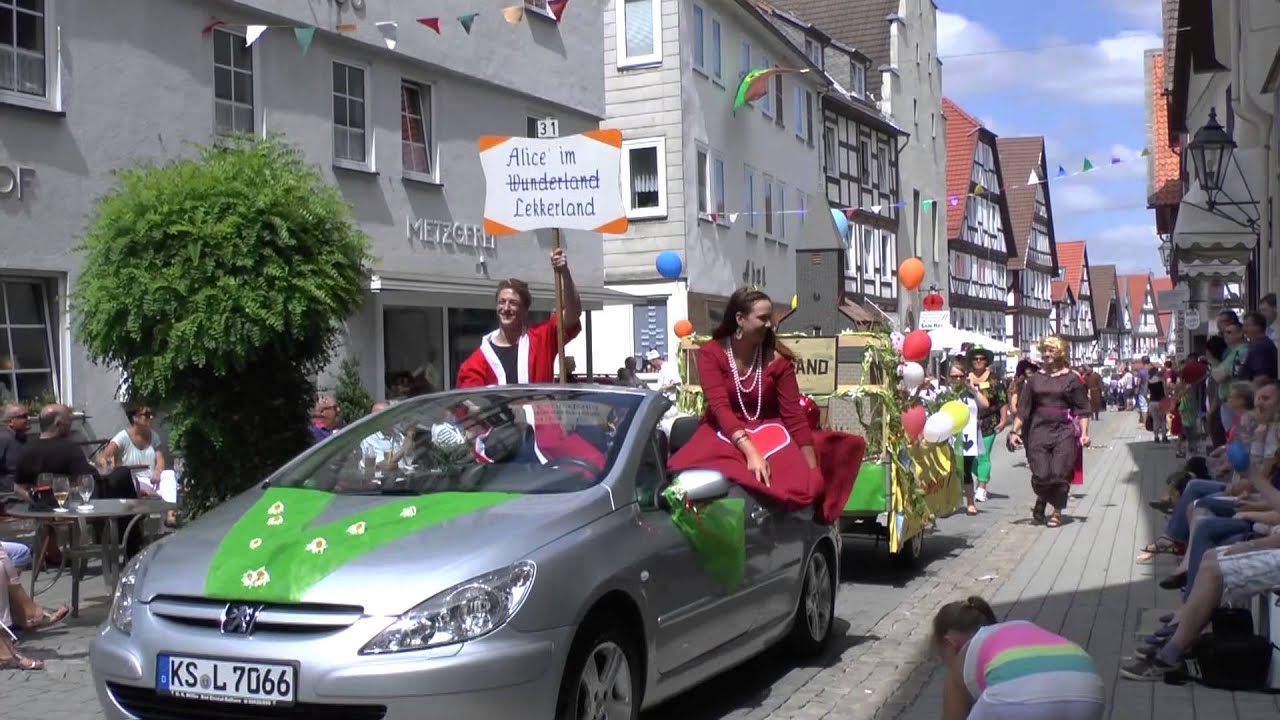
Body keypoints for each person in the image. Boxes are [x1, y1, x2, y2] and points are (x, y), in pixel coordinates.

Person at [667, 288, 866, 524]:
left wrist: (812, 470)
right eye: (762, 318)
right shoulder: (712, 353)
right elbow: (721, 408)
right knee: (702, 478)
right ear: (740, 319)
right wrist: (751, 454)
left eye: (770, 318)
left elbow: (794, 417)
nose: (770, 325)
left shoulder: (778, 361)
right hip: (723, 430)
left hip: (771, 431)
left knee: (799, 484)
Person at [932, 596, 1105, 720]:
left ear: (950, 644)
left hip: (1020, 696)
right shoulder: (1017, 629)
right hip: (1087, 683)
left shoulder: (961, 657)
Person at [456, 249, 582, 387]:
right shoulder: (476, 362)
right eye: (502, 302)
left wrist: (564, 272)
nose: (506, 308)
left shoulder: (541, 339)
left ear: (525, 310)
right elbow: (469, 403)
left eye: (513, 303)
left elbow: (573, 313)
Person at [1010, 336, 1090, 528]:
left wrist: (1085, 434)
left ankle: (1057, 512)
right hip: (1038, 430)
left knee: (1060, 472)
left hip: (1064, 430)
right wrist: (1014, 432)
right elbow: (1023, 409)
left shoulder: (1072, 379)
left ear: (1060, 353)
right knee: (1041, 474)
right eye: (1044, 351)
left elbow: (1082, 409)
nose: (1046, 354)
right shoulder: (1034, 380)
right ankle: (1042, 497)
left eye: (1051, 350)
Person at [965, 347, 1006, 504]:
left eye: (981, 359)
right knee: (968, 458)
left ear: (986, 361)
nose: (978, 361)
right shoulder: (965, 379)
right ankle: (982, 475)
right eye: (975, 359)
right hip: (967, 423)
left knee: (983, 455)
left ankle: (981, 487)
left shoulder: (994, 380)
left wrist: (1003, 421)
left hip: (988, 422)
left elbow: (1002, 401)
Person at [947, 359, 981, 516]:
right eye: (954, 377)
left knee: (967, 470)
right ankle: (948, 504)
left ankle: (970, 503)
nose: (958, 380)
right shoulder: (945, 393)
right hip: (949, 436)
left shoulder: (971, 393)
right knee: (948, 471)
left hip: (968, 437)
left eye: (961, 376)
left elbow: (986, 404)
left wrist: (973, 388)